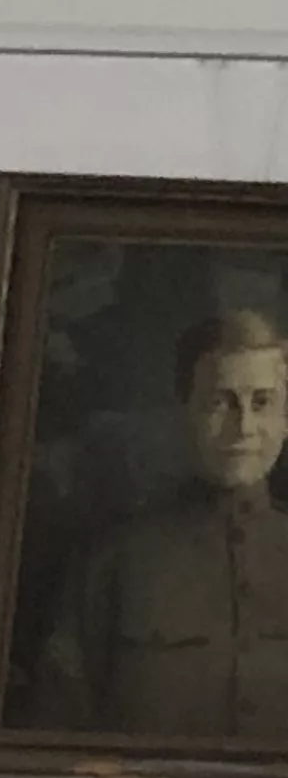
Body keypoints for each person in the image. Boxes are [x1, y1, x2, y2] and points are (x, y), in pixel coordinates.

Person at [34, 307, 288, 739]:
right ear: (183, 408)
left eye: (262, 403)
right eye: (219, 402)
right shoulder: (116, 558)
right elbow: (57, 731)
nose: (243, 426)